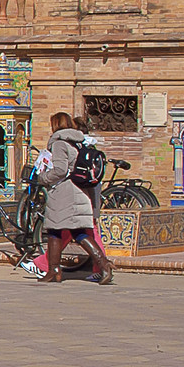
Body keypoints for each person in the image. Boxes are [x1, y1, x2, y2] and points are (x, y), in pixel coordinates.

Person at [36, 112, 113, 284]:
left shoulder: (59, 143)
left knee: (66, 231)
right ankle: (54, 270)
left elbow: (60, 170)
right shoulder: (77, 142)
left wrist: (43, 178)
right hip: (78, 191)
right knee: (64, 231)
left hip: (65, 193)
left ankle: (102, 265)